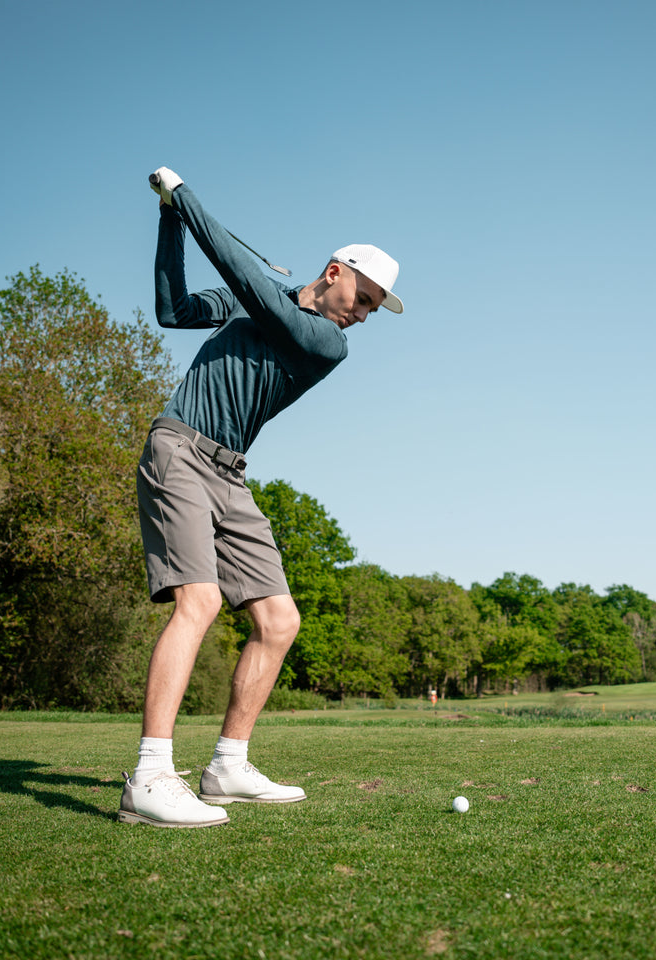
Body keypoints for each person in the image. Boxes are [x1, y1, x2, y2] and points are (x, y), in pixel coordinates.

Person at [118, 167, 404, 828]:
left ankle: (226, 765)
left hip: (229, 472)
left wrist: (184, 198)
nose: (363, 317)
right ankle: (150, 777)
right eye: (365, 298)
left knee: (279, 621)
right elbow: (176, 310)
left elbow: (251, 283)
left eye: (372, 309)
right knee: (201, 601)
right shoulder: (262, 300)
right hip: (181, 448)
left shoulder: (326, 344)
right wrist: (169, 217)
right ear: (337, 272)